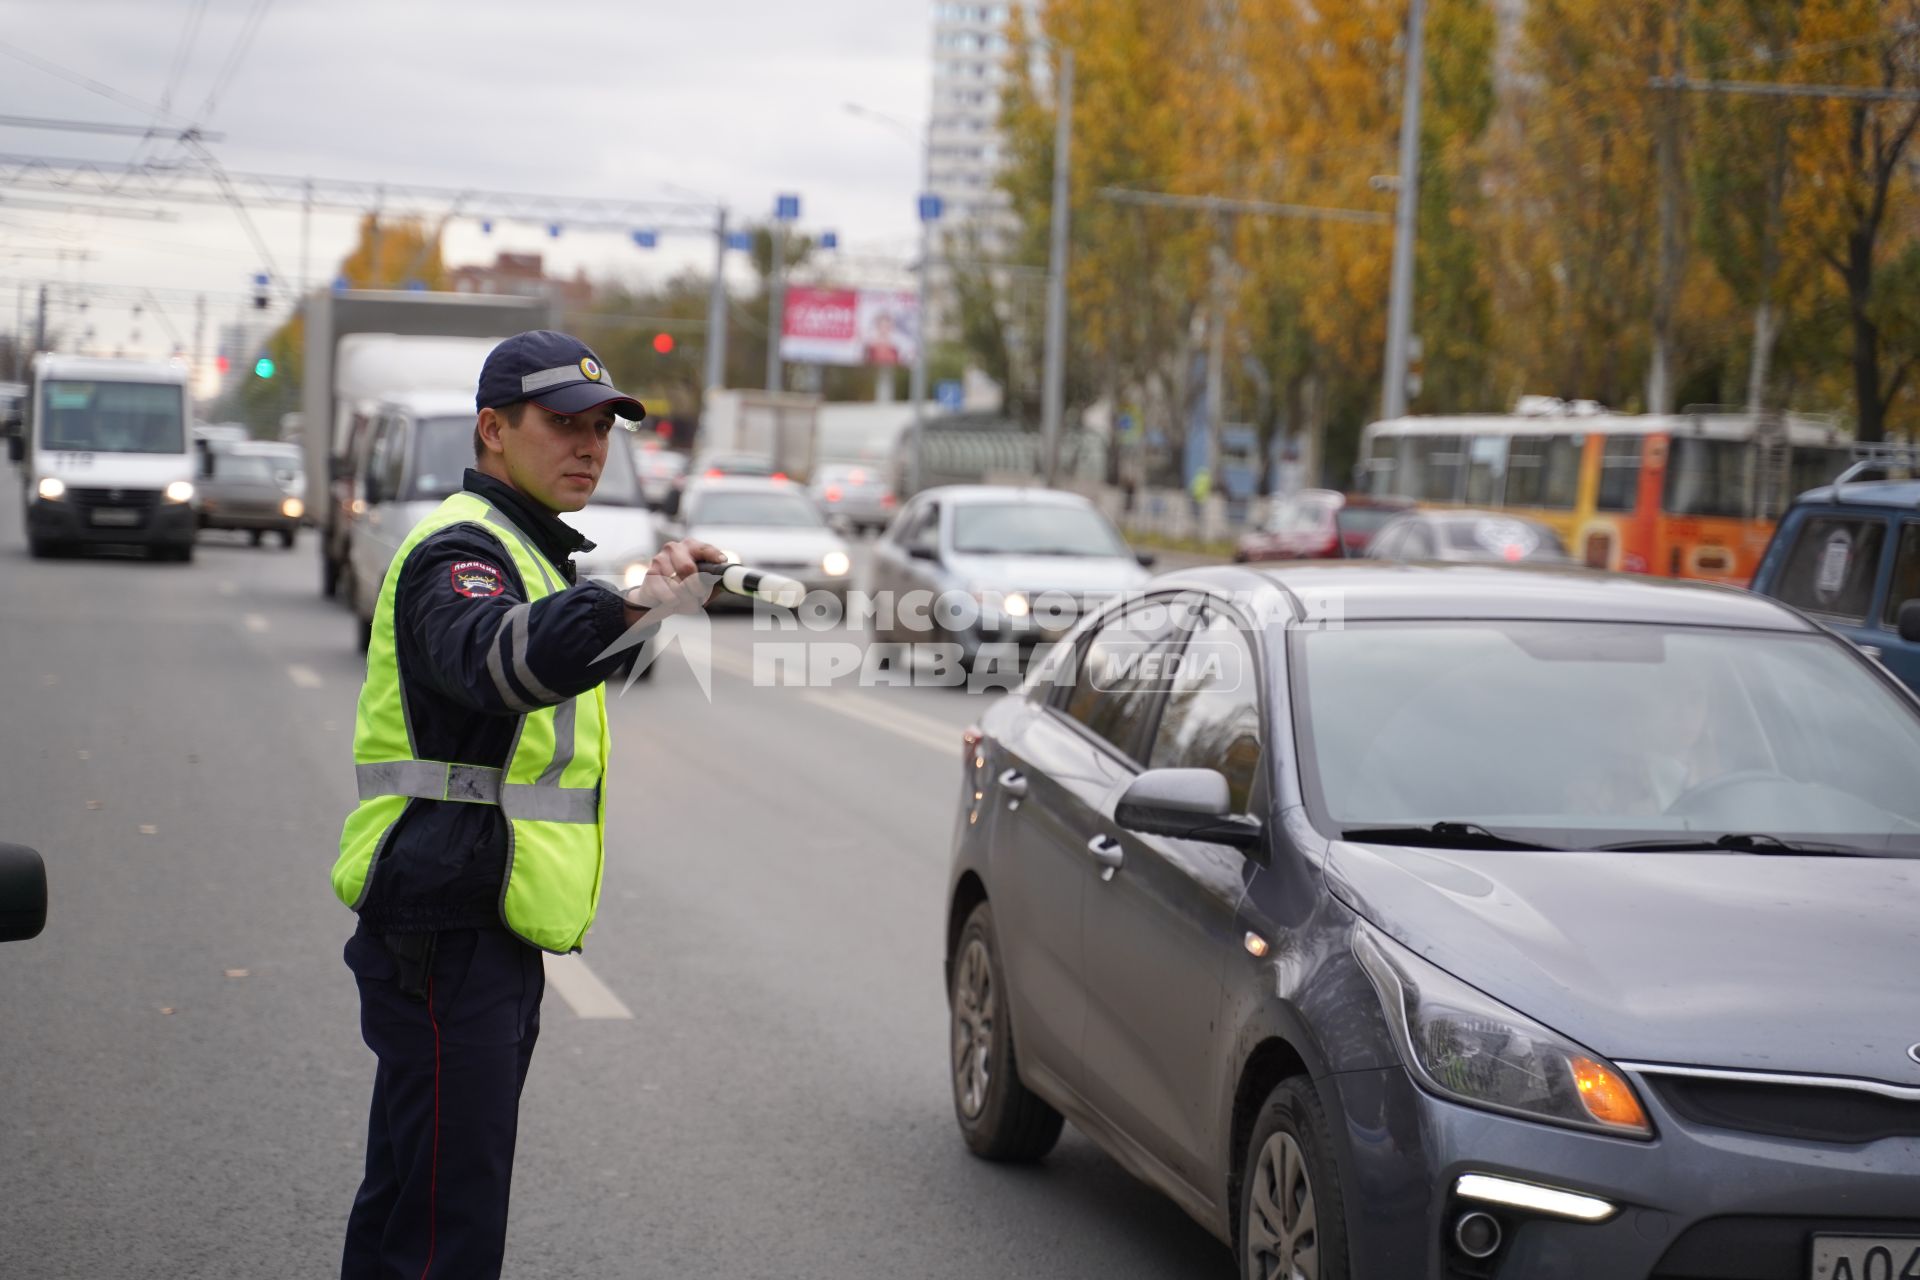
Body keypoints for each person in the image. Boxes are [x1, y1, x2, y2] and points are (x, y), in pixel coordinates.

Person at [330, 330, 724, 1279]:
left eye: (602, 427)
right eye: (562, 424)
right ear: (493, 431)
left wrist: (649, 606)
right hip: (447, 920)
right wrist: (630, 604)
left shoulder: (534, 553)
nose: (590, 445)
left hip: (478, 921)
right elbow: (496, 662)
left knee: (409, 1206)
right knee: (444, 1229)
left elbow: (545, 669)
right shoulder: (460, 551)